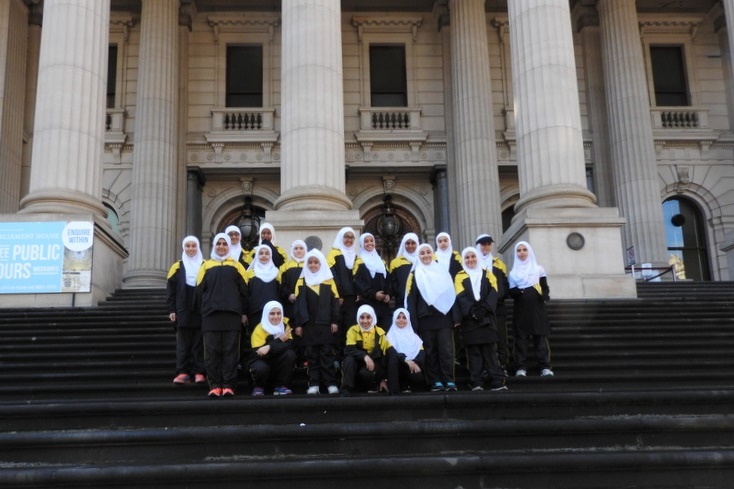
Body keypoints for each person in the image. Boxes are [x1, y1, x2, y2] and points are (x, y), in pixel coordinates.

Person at [196, 233, 249, 398]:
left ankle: (228, 386)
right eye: (218, 244)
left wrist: (243, 313)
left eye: (224, 244)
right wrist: (204, 311)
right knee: (212, 352)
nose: (221, 246)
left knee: (230, 352)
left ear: (228, 246)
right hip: (211, 317)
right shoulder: (205, 265)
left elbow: (245, 292)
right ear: (214, 246)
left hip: (232, 317)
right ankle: (214, 386)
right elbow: (199, 292)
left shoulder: (237, 266)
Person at [405, 243, 458, 392]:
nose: (426, 255)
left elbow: (451, 295)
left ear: (432, 254)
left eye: (428, 252)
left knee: (446, 351)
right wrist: (413, 324)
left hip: (444, 318)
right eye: (422, 253)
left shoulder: (442, 272)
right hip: (425, 319)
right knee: (430, 352)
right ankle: (435, 381)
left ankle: (449, 379)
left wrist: (456, 317)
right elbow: (411, 300)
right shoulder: (415, 275)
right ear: (418, 256)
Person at [453, 247, 507, 391]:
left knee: (490, 352)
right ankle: (476, 382)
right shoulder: (459, 276)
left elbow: (493, 293)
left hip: (487, 318)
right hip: (470, 321)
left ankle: (496, 381)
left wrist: (483, 310)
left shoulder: (488, 274)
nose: (470, 260)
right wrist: (473, 312)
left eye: (473, 256)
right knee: (474, 353)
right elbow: (461, 296)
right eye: (467, 257)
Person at [293, 249, 341, 395]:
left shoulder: (329, 280)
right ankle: (313, 384)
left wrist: (335, 321)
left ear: (321, 264)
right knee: (312, 356)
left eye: (316, 262)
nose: (313, 265)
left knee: (326, 356)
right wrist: (298, 324)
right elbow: (298, 305)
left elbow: (335, 303)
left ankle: (330, 383)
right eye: (310, 262)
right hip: (308, 325)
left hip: (326, 325)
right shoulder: (302, 281)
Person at [508, 240, 554, 377]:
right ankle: (520, 367)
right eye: (519, 250)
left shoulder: (538, 269)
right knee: (521, 340)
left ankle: (545, 366)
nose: (521, 253)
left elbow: (544, 287)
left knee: (540, 339)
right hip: (521, 311)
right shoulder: (513, 273)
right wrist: (519, 292)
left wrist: (545, 295)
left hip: (537, 310)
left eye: (524, 250)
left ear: (529, 251)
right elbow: (511, 292)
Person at [166, 235, 206, 385]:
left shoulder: (205, 265)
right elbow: (171, 290)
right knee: (183, 343)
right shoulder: (176, 267)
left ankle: (199, 372)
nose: (190, 249)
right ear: (184, 248)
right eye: (188, 246)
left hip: (200, 309)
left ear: (198, 248)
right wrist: (172, 309)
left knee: (198, 342)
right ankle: (182, 372)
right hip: (182, 309)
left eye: (193, 246)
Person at [244, 300, 296, 396]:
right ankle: (258, 387)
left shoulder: (285, 325)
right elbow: (259, 353)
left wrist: (269, 346)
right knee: (260, 367)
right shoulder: (259, 329)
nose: (276, 317)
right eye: (272, 313)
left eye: (278, 313)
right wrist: (279, 341)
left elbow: (290, 344)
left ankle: (281, 386)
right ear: (266, 314)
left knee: (290, 354)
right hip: (261, 362)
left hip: (277, 363)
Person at [340, 305, 394, 396]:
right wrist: (365, 356)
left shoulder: (380, 333)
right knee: (349, 360)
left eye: (368, 317)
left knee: (365, 373)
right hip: (357, 362)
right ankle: (346, 391)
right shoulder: (352, 331)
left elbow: (386, 355)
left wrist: (384, 379)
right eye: (362, 317)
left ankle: (373, 387)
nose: (365, 321)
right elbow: (349, 349)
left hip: (373, 365)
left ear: (373, 318)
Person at [476, 234, 511, 371]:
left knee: (501, 338)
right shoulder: (474, 262)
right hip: (482, 309)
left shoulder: (499, 263)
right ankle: (486, 368)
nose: (486, 246)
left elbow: (504, 284)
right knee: (484, 339)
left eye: (488, 244)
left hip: (498, 308)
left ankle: (502, 365)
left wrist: (499, 297)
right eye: (483, 244)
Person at [327, 227, 359, 348]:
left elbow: (357, 276)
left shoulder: (355, 256)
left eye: (351, 237)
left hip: (352, 298)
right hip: (339, 298)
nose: (349, 240)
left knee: (350, 327)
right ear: (341, 237)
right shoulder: (333, 254)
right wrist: (338, 294)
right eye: (346, 236)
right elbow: (332, 275)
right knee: (337, 328)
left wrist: (358, 293)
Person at [353, 233, 391, 329]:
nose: (369, 243)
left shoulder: (381, 262)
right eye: (366, 241)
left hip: (383, 305)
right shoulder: (358, 261)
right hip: (366, 304)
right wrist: (373, 294)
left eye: (371, 241)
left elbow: (388, 280)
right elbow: (357, 282)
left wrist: (388, 294)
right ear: (362, 244)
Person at [385, 308, 426, 393]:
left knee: (417, 376)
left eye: (404, 317)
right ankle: (394, 393)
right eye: (398, 317)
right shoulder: (389, 337)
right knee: (393, 360)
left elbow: (421, 354)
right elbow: (392, 353)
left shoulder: (415, 337)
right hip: (397, 370)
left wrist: (414, 363)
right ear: (394, 319)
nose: (401, 320)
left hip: (411, 367)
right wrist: (406, 360)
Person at [279, 239, 308, 323]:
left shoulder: (309, 265)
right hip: (290, 304)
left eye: (301, 248)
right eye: (296, 248)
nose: (298, 250)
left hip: (306, 304)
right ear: (292, 250)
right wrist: (288, 294)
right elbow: (281, 285)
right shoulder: (285, 267)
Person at [388, 232, 420, 309]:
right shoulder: (395, 262)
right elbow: (392, 283)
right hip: (401, 301)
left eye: (413, 243)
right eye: (407, 243)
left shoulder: (421, 260)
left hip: (420, 301)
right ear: (403, 245)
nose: (410, 246)